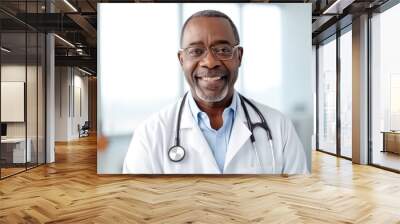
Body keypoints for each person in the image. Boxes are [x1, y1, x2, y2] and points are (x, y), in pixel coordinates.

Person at [123, 10, 308, 174]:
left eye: (222, 50)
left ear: (239, 56)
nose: (210, 62)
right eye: (196, 51)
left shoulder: (279, 126)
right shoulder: (150, 134)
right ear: (181, 60)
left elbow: (299, 200)